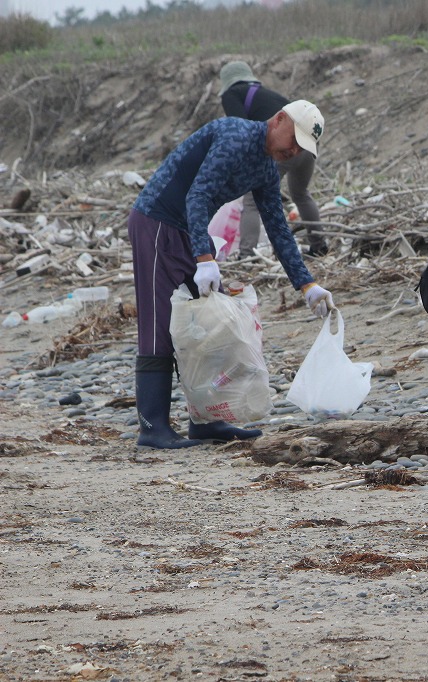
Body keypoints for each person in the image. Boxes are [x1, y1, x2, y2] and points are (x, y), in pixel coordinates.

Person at [129, 100, 335, 449]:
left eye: (302, 148)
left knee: (214, 325)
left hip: (190, 231)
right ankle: (153, 428)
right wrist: (205, 257)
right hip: (158, 222)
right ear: (279, 118)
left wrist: (307, 284)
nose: (295, 150)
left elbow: (279, 230)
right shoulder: (237, 135)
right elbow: (198, 194)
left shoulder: (267, 169)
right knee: (160, 321)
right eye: (294, 140)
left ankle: (208, 421)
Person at [219, 61, 328, 257]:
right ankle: (319, 246)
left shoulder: (231, 94)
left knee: (252, 199)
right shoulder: (268, 95)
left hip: (284, 148)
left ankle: (247, 255)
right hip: (308, 147)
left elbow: (239, 128)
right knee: (301, 194)